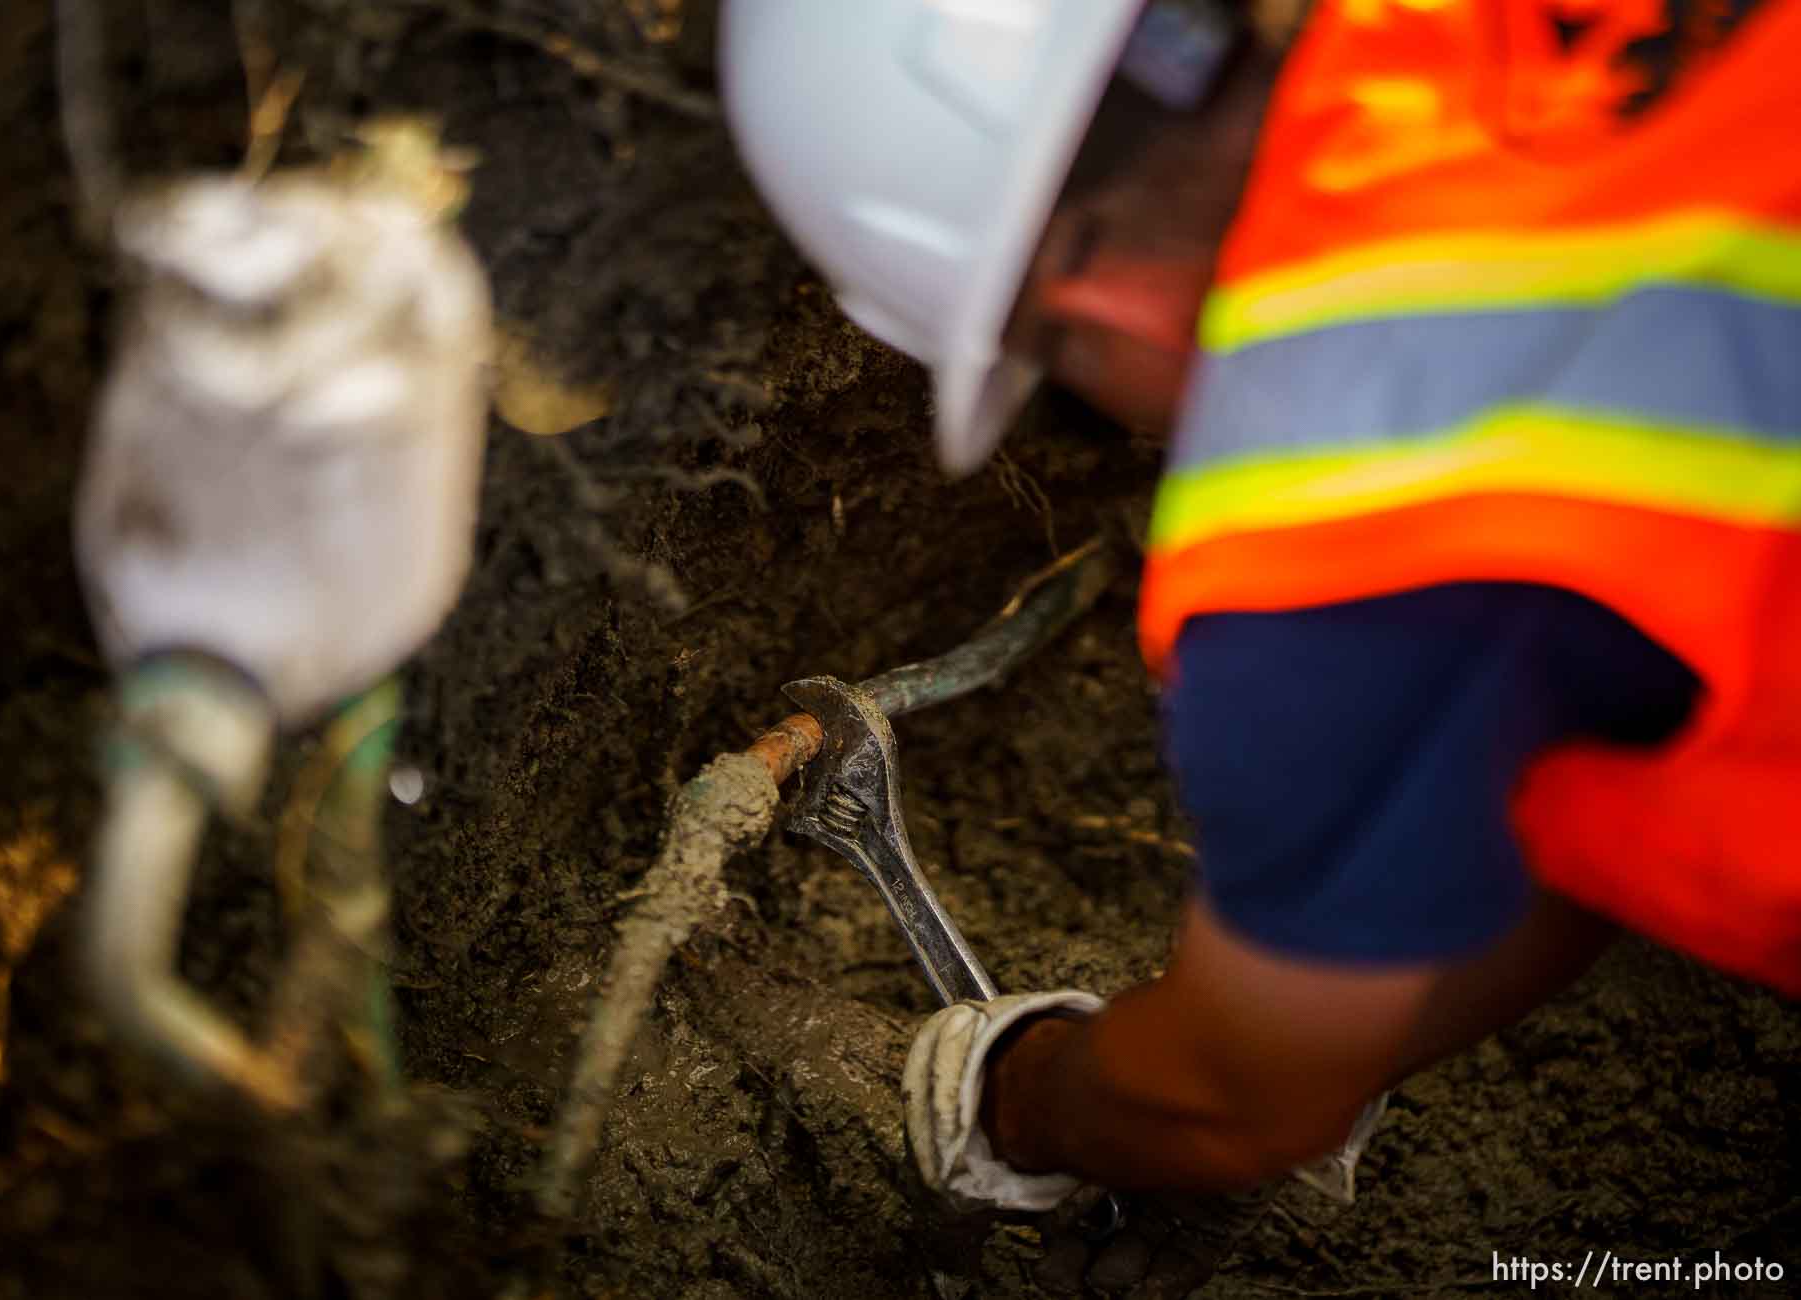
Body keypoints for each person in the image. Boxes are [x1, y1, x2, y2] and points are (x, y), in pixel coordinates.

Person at [719, 0, 1801, 1221]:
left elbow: (1223, 1103)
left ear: (1095, 302)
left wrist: (1021, 1101)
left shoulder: (1331, 548)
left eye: (1062, 389)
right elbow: (1582, 795)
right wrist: (1345, 1046)